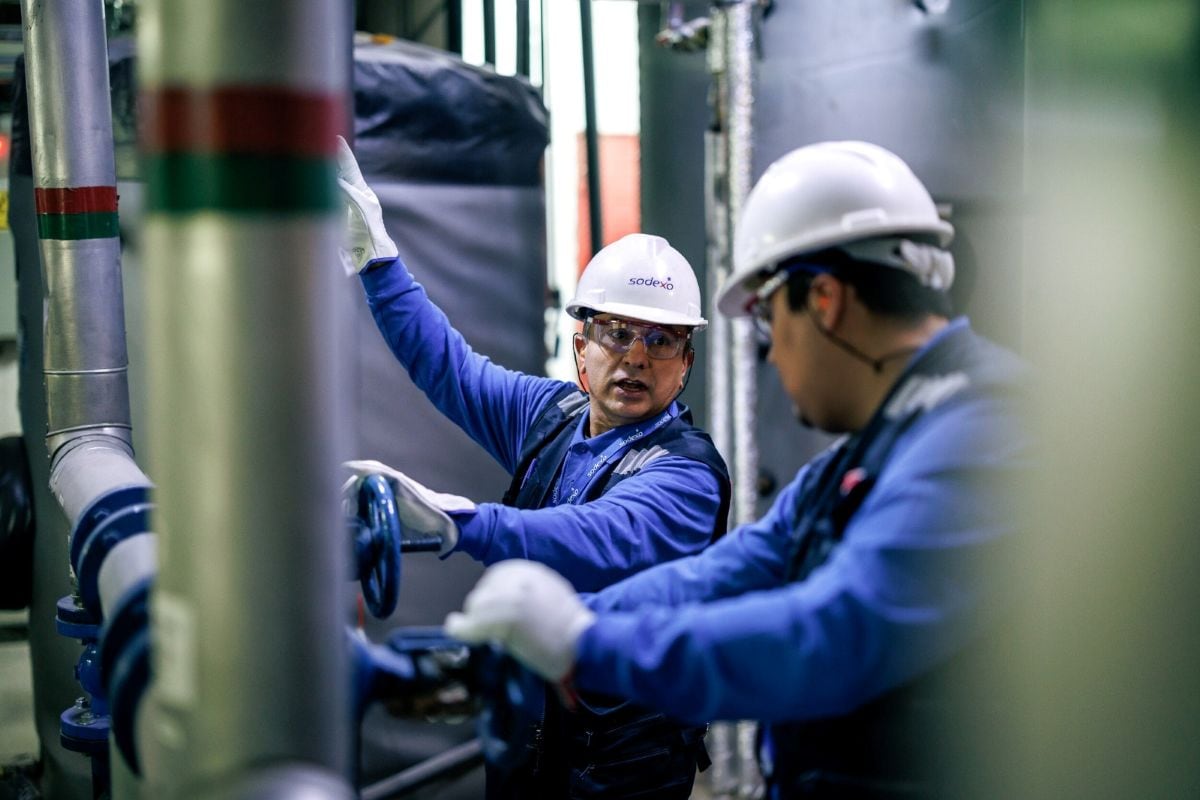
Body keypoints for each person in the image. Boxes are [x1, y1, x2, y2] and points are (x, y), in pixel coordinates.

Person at [445, 140, 1032, 798]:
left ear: (826, 301)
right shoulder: (882, 442)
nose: (773, 356)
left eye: (767, 321)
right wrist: (566, 622)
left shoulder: (986, 435)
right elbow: (738, 567)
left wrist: (586, 644)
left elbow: (828, 635)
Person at [334, 137, 731, 798]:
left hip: (623, 767)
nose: (635, 356)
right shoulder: (550, 415)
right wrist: (376, 257)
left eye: (661, 340)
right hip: (526, 741)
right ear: (582, 346)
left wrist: (458, 521)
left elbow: (591, 536)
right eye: (615, 331)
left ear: (685, 363)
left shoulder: (686, 476)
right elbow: (448, 367)